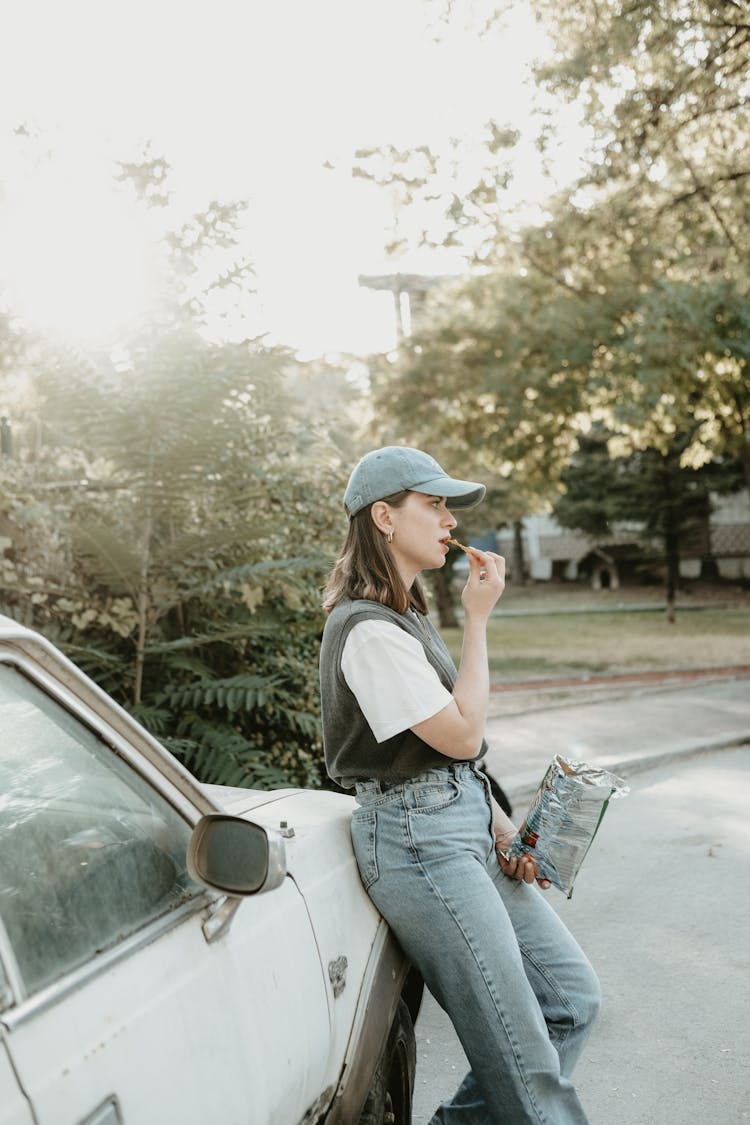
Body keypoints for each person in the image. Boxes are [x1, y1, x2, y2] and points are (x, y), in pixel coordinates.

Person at [319, 446, 601, 1125]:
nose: (450, 520)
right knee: (526, 1062)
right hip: (420, 847)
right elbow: (463, 735)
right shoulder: (366, 630)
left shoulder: (404, 612)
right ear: (383, 516)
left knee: (569, 999)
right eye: (435, 504)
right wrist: (478, 619)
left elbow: (453, 757)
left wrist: (502, 826)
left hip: (461, 825)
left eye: (449, 506)